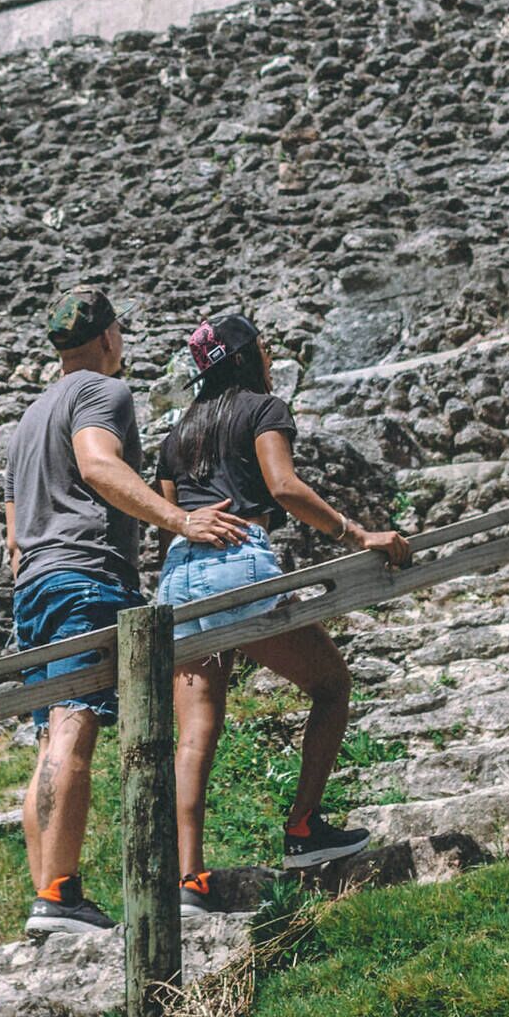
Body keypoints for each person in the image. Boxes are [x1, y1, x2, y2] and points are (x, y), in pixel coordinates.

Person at [0, 289, 253, 936]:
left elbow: (12, 533)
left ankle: (51, 893)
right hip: (84, 577)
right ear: (110, 338)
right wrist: (179, 519)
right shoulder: (101, 394)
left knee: (49, 734)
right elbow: (96, 462)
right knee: (75, 725)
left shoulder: (28, 419)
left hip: (35, 585)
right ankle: (58, 896)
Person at [152, 312, 409, 906]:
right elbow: (284, 486)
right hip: (239, 561)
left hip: (180, 577)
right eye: (264, 350)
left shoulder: (177, 436)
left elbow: (168, 523)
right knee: (331, 685)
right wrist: (356, 532)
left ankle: (188, 878)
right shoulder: (263, 410)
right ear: (248, 358)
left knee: (195, 730)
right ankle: (303, 828)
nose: (269, 358)